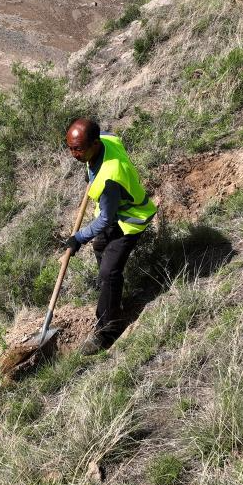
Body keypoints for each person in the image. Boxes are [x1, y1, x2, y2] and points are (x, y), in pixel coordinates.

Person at [63, 117, 156, 354]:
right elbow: (110, 137)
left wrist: (78, 238)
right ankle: (112, 294)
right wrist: (91, 170)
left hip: (130, 219)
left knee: (108, 271)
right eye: (70, 148)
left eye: (78, 149)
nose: (74, 154)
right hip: (116, 209)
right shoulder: (106, 139)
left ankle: (108, 331)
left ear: (94, 143)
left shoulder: (109, 180)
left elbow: (106, 219)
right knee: (100, 246)